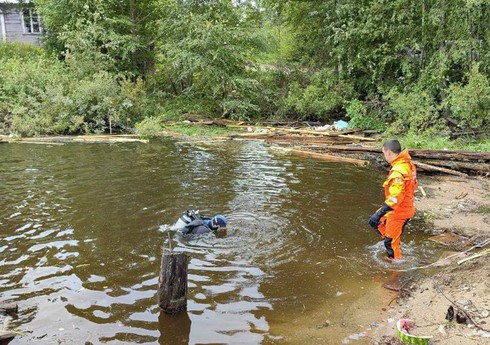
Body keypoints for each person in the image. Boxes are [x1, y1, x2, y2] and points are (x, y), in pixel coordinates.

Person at [369, 139, 417, 262]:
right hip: (404, 207)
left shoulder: (398, 172)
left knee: (391, 245)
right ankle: (390, 238)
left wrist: (379, 213)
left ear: (389, 152)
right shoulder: (407, 164)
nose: (384, 156)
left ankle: (395, 270)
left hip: (399, 211)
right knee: (375, 222)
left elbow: (395, 198)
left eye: (384, 153)